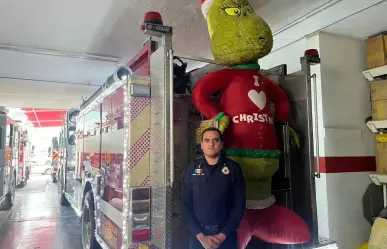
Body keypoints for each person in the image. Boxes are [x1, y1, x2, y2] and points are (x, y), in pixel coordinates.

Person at [181, 127, 246, 249]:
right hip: (198, 239)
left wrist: (222, 235)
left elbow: (239, 206)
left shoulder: (233, 169)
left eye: (215, 140)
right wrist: (201, 237)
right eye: (207, 140)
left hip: (227, 237)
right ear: (202, 145)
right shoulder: (191, 169)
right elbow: (185, 205)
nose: (211, 144)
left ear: (221, 144)